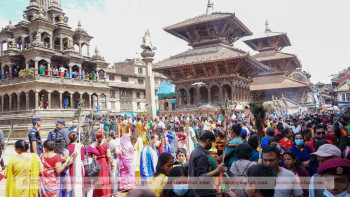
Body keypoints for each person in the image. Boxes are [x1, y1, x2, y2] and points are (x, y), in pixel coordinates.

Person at [189, 130, 224, 197]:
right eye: (211, 142)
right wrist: (217, 170)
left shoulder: (195, 151)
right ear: (208, 141)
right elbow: (202, 176)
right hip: (202, 192)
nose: (211, 145)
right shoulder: (201, 155)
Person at [95, 131, 114, 197]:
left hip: (97, 162)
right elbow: (109, 156)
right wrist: (112, 164)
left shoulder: (95, 144)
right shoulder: (106, 145)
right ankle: (105, 194)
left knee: (98, 180)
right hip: (104, 163)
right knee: (104, 180)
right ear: (103, 136)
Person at [67, 132, 84, 196]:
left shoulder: (67, 146)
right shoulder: (80, 146)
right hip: (78, 166)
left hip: (70, 166)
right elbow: (82, 158)